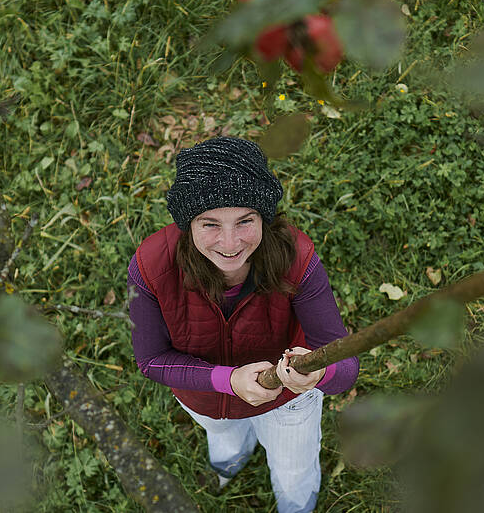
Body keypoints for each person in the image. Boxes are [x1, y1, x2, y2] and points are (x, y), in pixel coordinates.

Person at [127, 136, 359, 513]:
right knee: (222, 436)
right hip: (203, 396)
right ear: (188, 224)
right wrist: (227, 381)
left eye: (245, 220)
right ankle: (230, 463)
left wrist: (317, 375)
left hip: (287, 401)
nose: (230, 243)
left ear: (264, 217)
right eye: (211, 224)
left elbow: (346, 367)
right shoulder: (151, 267)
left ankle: (296, 507)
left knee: (292, 468)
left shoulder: (298, 259)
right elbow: (151, 360)